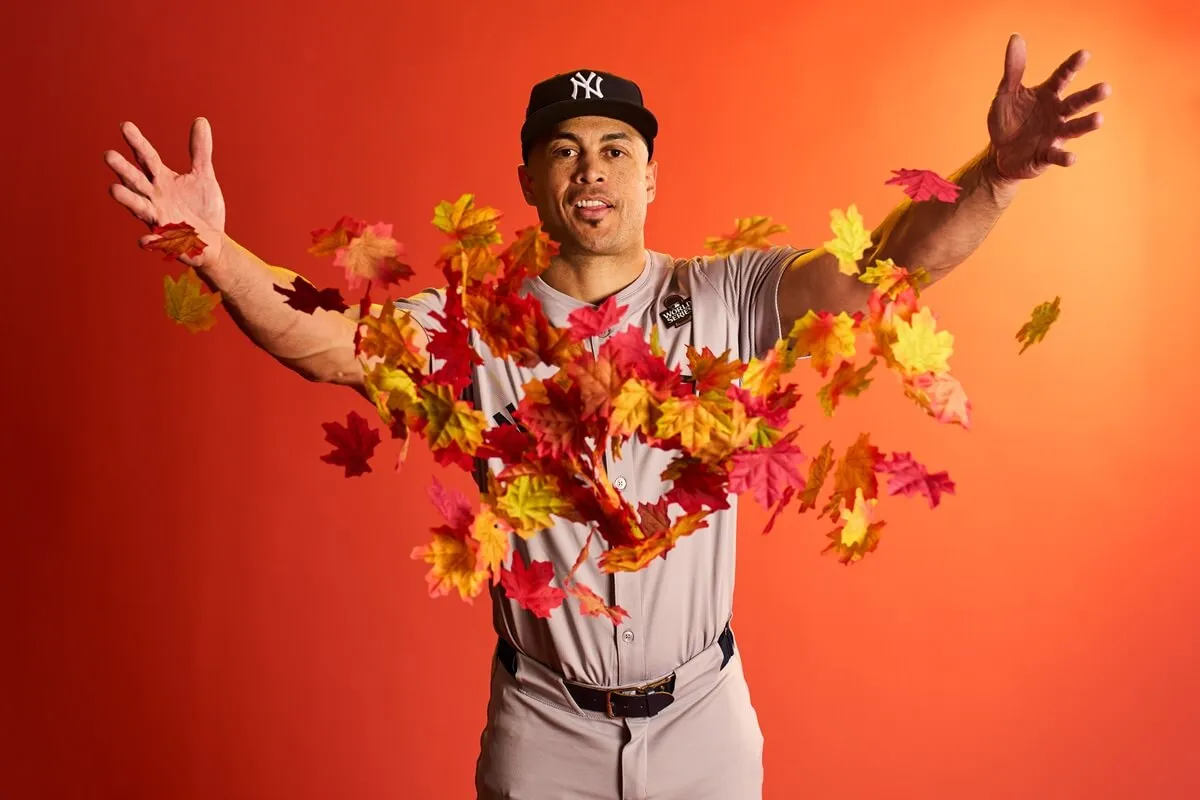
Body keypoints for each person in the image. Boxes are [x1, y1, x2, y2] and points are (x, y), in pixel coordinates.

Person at [103, 34, 1108, 799]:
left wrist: (996, 175)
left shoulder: (728, 297)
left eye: (616, 149)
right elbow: (324, 340)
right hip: (543, 725)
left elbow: (885, 265)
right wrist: (214, 252)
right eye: (566, 151)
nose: (593, 169)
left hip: (704, 720)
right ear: (531, 183)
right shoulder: (472, 327)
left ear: (651, 175)